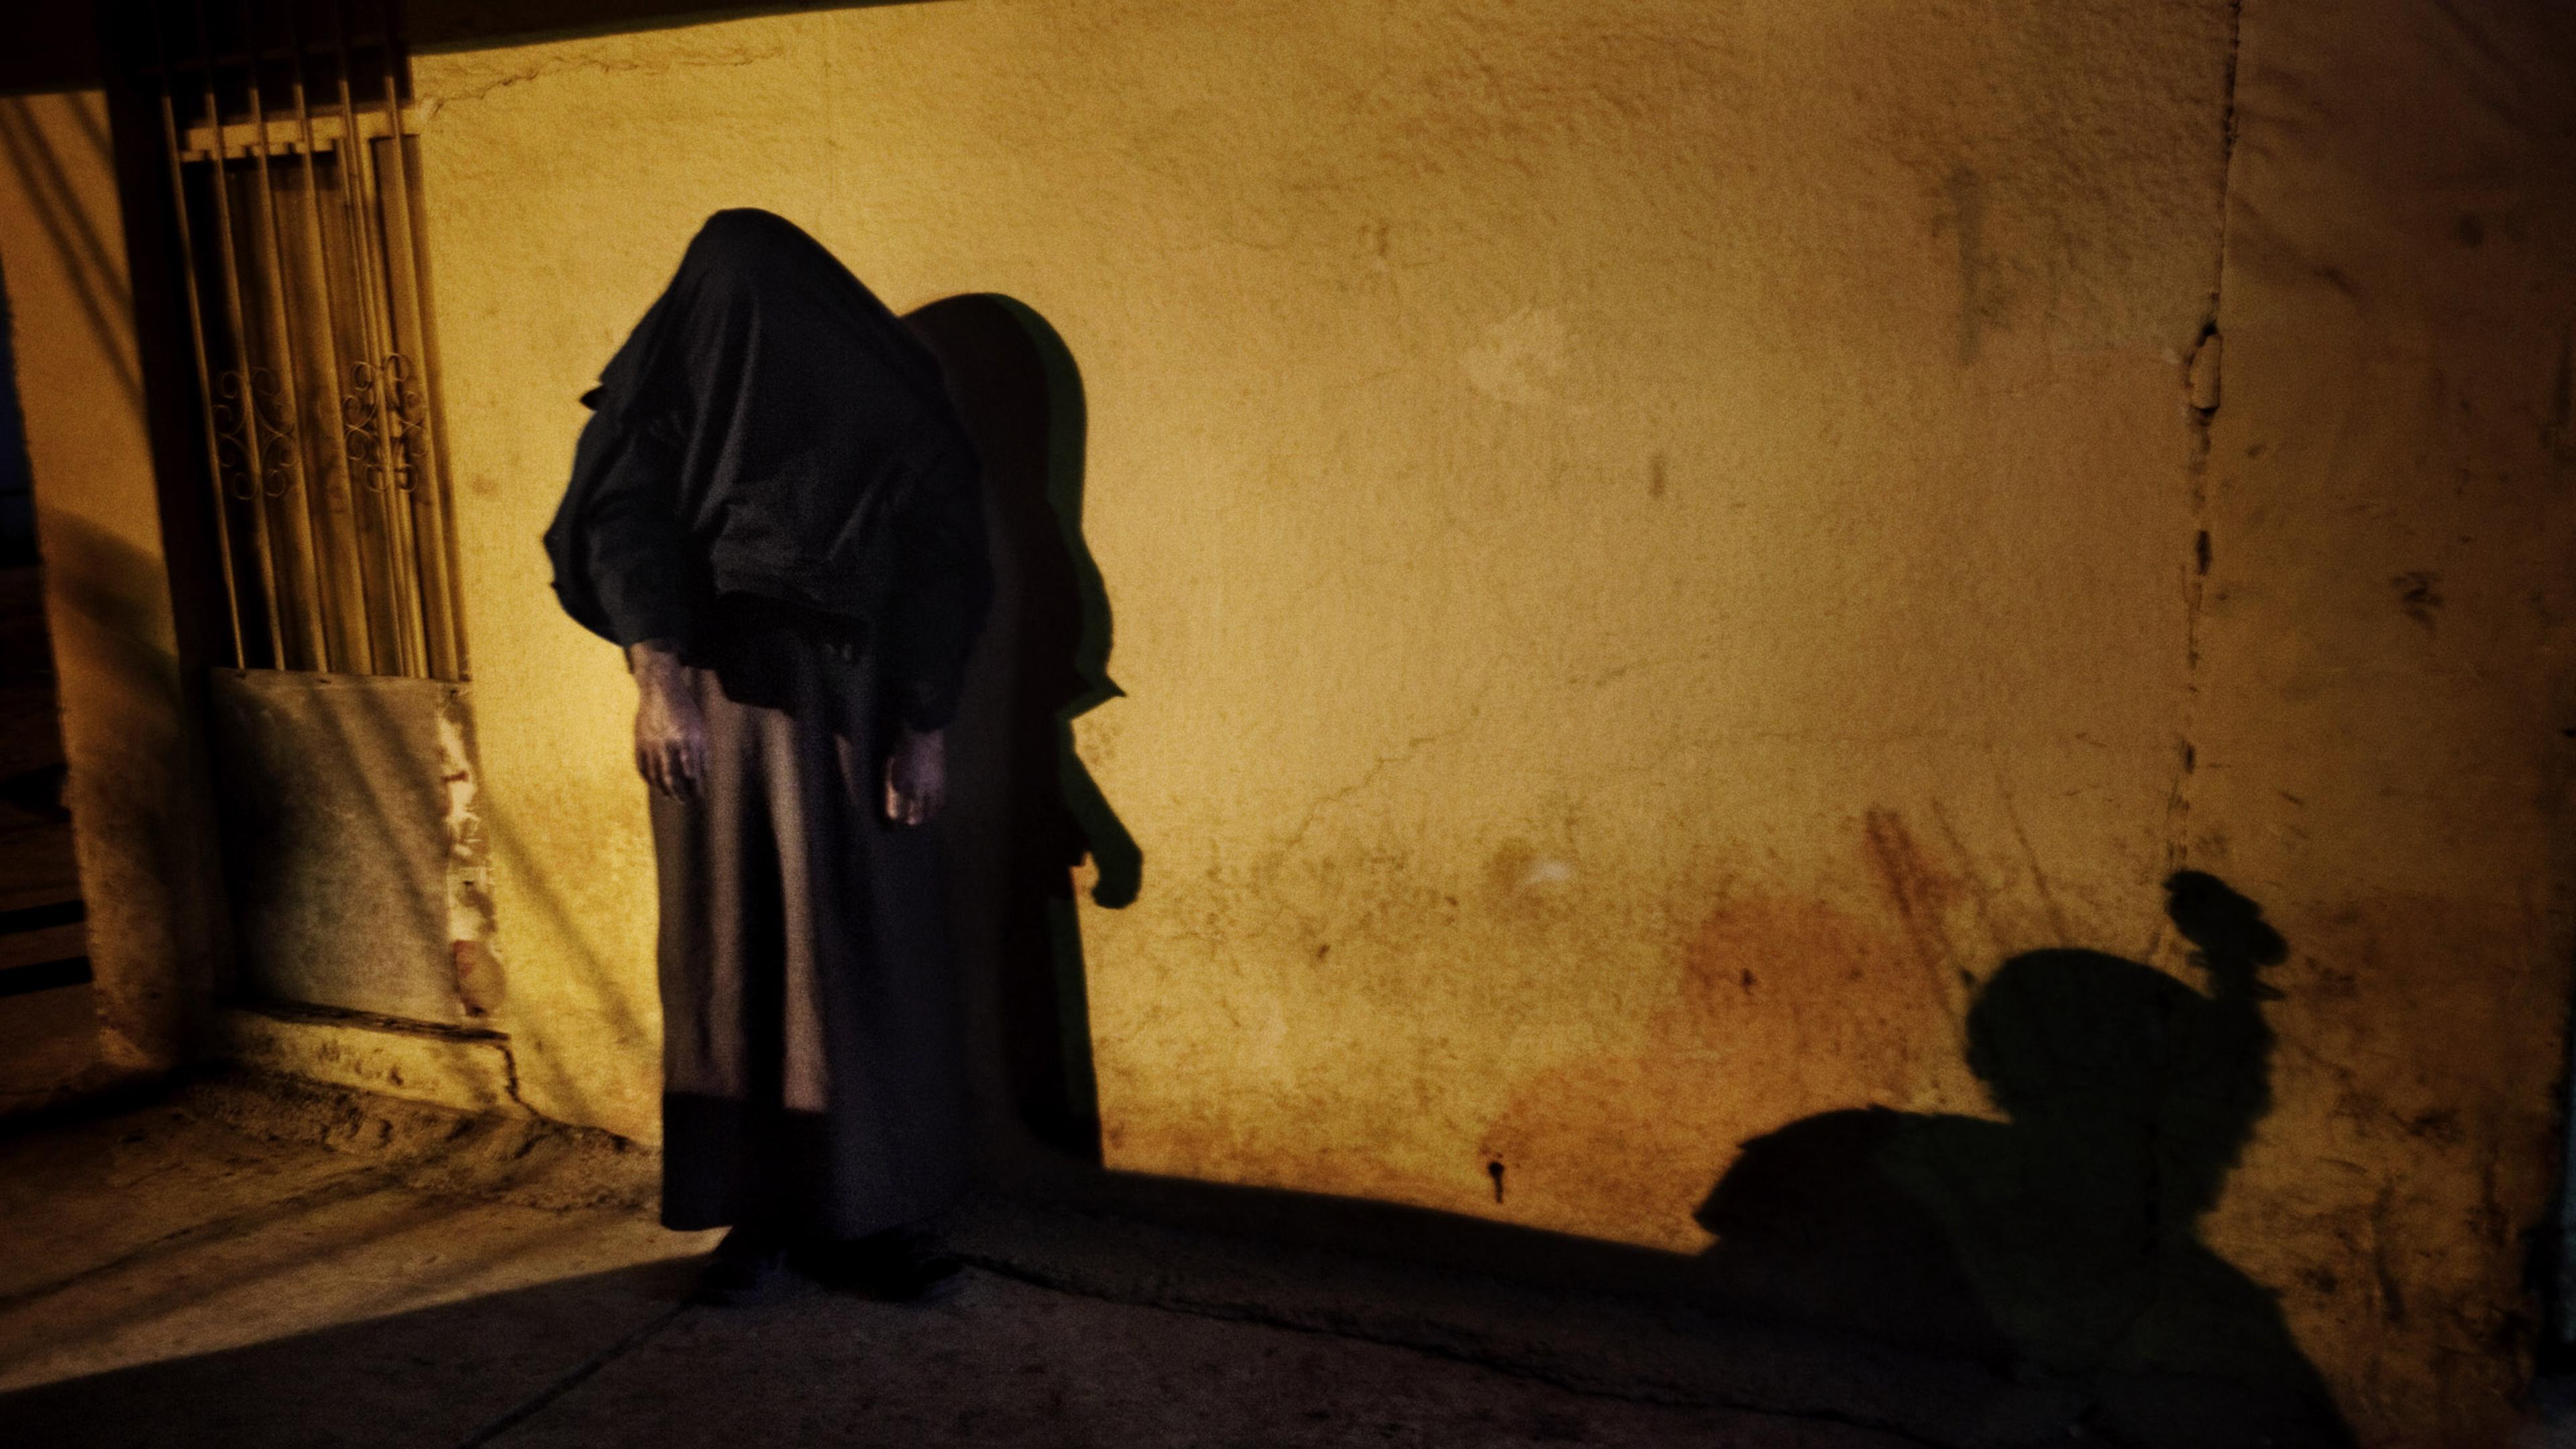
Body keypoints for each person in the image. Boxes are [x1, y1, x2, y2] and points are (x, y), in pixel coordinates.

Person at [543, 209, 992, 1304]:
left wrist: (923, 729)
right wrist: (659, 686)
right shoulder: (675, 384)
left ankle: (877, 1218)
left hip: (859, 707)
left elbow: (946, 565)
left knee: (859, 955)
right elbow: (621, 527)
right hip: (716, 706)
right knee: (732, 951)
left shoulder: (892, 395)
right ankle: (760, 1211)